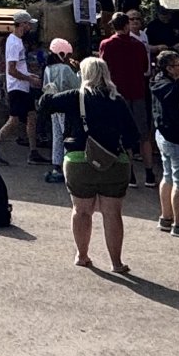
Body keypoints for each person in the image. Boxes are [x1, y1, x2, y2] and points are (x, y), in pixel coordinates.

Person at [52, 55, 142, 272]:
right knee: (112, 213)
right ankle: (116, 263)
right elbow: (133, 135)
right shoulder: (117, 100)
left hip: (79, 161)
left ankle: (82, 255)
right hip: (114, 162)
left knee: (81, 210)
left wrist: (50, 90)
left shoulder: (74, 97)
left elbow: (45, 104)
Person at [98, 13, 155, 185]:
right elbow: (145, 68)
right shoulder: (138, 45)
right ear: (126, 26)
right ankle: (149, 173)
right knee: (144, 135)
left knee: (124, 135)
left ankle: (130, 174)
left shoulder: (106, 44)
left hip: (117, 94)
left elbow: (103, 69)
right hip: (138, 92)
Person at [0, 13, 41, 164]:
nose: (30, 27)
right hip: (17, 87)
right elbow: (12, 70)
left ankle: (33, 152)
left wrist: (29, 76)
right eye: (28, 24)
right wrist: (30, 79)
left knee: (31, 116)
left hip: (20, 86)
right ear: (22, 24)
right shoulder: (16, 43)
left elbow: (16, 68)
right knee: (14, 120)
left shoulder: (14, 40)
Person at [152, 49, 179, 237]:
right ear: (169, 68)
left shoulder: (159, 81)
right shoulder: (170, 87)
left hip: (163, 135)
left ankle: (166, 217)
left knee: (168, 176)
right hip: (174, 139)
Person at [34, 37, 81, 175]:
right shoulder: (65, 69)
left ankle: (56, 164)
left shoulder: (48, 69)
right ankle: (68, 164)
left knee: (57, 135)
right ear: (62, 54)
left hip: (53, 105)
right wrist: (79, 72)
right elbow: (77, 85)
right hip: (66, 106)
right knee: (67, 135)